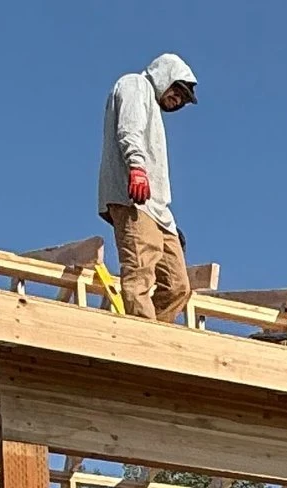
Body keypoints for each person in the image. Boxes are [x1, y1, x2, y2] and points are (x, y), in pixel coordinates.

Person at [98, 54, 198, 322]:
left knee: (178, 286)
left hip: (156, 209)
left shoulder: (152, 106)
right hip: (134, 200)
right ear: (164, 76)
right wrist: (137, 169)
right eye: (177, 91)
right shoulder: (135, 85)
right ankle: (141, 339)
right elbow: (128, 129)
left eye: (184, 98)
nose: (178, 100)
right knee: (139, 275)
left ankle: (153, 336)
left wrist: (168, 224)